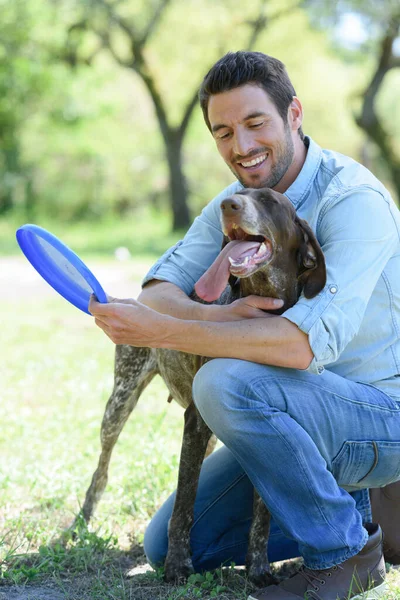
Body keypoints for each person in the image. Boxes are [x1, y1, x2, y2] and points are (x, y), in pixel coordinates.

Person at [89, 51, 400, 600]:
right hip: (298, 417)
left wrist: (162, 331)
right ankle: (353, 508)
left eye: (256, 123)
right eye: (223, 131)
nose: (241, 146)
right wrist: (213, 313)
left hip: (380, 415)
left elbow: (300, 345)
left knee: (223, 381)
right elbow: (157, 291)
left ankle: (346, 553)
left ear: (294, 115)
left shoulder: (354, 201)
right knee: (169, 546)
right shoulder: (236, 207)